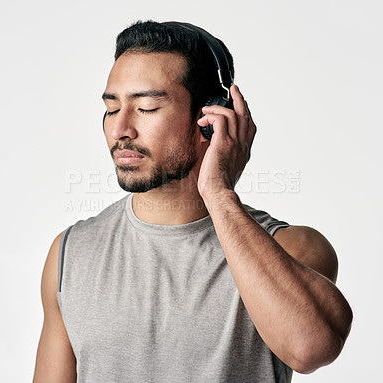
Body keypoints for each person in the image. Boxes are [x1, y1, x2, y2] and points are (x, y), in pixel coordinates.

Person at [33, 21, 353, 383]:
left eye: (147, 108)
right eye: (111, 108)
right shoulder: (71, 252)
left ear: (210, 118)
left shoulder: (292, 247)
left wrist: (218, 193)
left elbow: (311, 349)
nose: (120, 129)